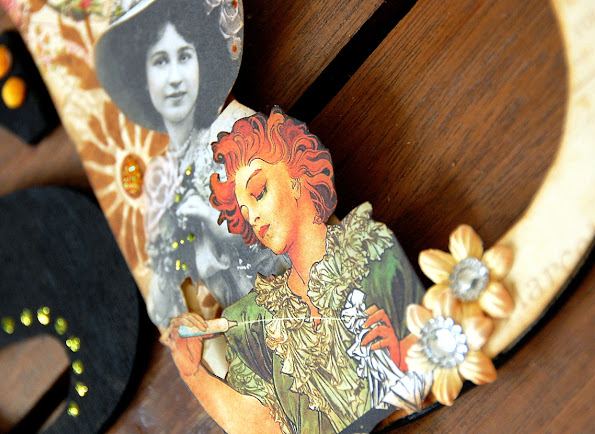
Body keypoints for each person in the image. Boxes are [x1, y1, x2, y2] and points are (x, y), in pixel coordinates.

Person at [162, 108, 431, 433]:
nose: (253, 217)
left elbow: (441, 343)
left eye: (259, 192)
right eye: (244, 212)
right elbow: (263, 426)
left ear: (297, 176)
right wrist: (193, 373)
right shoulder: (251, 320)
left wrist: (403, 355)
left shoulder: (370, 252)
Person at [94, 0, 288, 330]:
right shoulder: (159, 179)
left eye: (184, 56)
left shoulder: (236, 131)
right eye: (159, 62)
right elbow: (164, 305)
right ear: (143, 79)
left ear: (200, 60)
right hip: (243, 333)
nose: (174, 78)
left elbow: (287, 223)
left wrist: (213, 222)